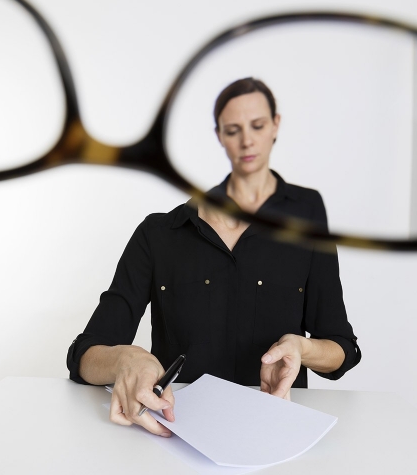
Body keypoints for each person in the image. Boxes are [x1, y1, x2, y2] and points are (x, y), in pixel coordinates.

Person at [67, 77, 361, 437]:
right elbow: (84, 354)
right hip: (177, 433)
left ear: (276, 126)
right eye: (233, 130)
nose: (247, 140)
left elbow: (342, 350)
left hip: (275, 432)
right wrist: (127, 359)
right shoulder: (158, 234)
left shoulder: (307, 221)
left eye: (257, 126)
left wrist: (302, 348)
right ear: (220, 136)